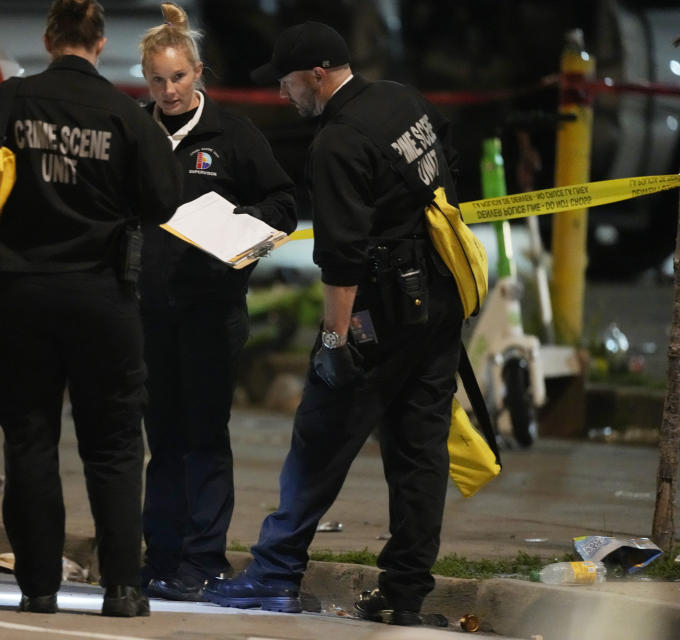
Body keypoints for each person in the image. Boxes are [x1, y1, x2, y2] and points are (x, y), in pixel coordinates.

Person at [203, 21, 464, 627]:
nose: (282, 93)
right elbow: (446, 158)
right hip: (438, 302)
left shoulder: (337, 142)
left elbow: (341, 259)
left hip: (378, 312)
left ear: (317, 75)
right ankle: (405, 592)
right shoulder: (401, 98)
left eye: (288, 81)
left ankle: (273, 574)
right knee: (420, 452)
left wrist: (332, 342)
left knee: (319, 440)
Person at [0, 0, 182, 618]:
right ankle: (123, 588)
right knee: (116, 445)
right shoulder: (125, 114)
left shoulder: (10, 103)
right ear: (99, 45)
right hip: (103, 298)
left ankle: (38, 587)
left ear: (50, 40)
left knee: (31, 440)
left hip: (22, 295)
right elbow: (165, 199)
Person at [136, 3, 297, 602]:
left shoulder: (233, 137)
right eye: (158, 79)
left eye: (179, 77)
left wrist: (244, 228)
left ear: (198, 72)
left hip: (212, 313)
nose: (170, 90)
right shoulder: (136, 131)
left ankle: (202, 559)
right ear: (145, 79)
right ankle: (159, 556)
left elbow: (283, 200)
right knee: (163, 439)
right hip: (149, 313)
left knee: (204, 435)